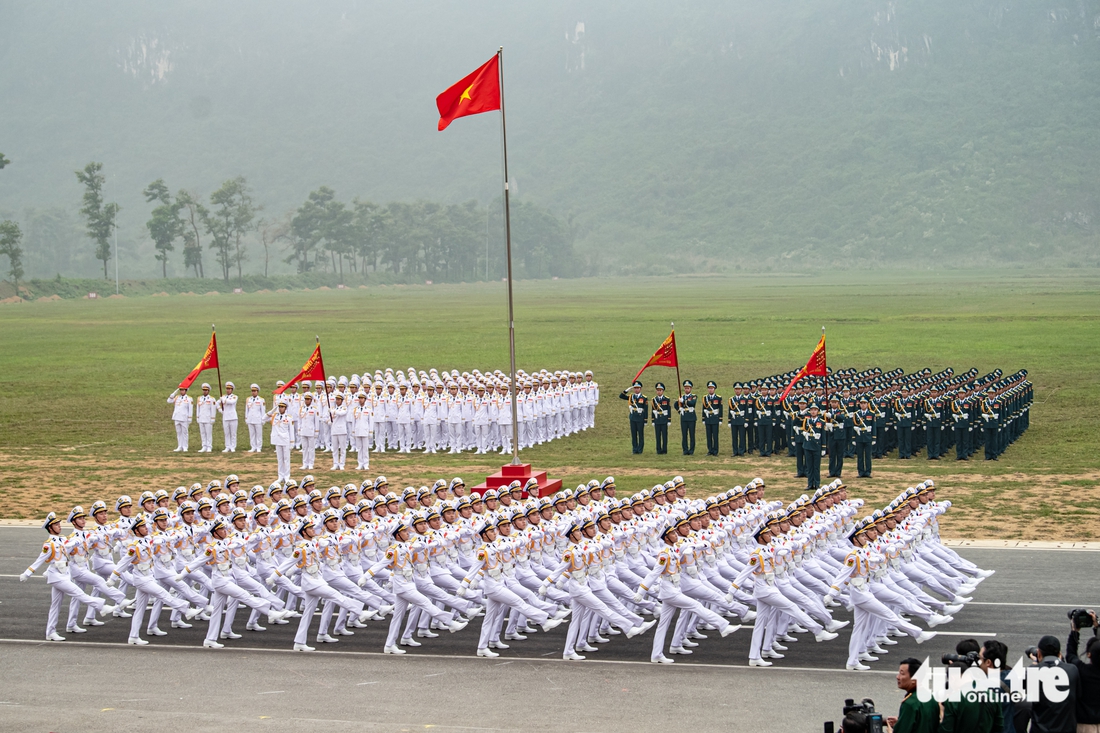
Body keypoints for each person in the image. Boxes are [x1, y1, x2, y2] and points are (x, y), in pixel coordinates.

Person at [20, 512, 122, 641]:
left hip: (64, 574)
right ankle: (101, 606)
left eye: (59, 524)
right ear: (50, 528)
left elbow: (74, 544)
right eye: (56, 525)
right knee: (78, 593)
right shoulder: (48, 544)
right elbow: (40, 560)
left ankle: (50, 632)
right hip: (56, 576)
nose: (59, 526)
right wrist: (27, 573)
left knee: (55, 605)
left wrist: (77, 541)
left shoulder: (63, 539)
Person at [1032, 634, 1080, 733]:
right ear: (1059, 654)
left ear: (1039, 654)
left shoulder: (1032, 671)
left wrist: (1037, 665)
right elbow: (1078, 695)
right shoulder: (1072, 670)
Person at [885, 658, 940, 733]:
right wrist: (902, 721)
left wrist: (890, 731)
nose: (897, 677)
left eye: (902, 674)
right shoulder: (931, 697)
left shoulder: (909, 703)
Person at [1067, 611, 1100, 733]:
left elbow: (1071, 655)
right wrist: (1097, 627)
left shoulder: (1083, 672)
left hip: (1085, 725)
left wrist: (1075, 631)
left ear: (1089, 655)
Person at [619, 381, 648, 454]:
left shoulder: (644, 398)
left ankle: (640, 450)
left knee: (640, 435)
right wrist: (626, 390)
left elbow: (646, 410)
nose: (636, 390)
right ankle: (635, 449)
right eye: (635, 388)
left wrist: (645, 420)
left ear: (640, 389)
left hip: (640, 418)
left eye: (637, 388)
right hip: (633, 417)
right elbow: (621, 396)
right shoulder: (631, 397)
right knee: (634, 434)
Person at [269, 400, 293, 483]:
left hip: (285, 440)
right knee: (280, 459)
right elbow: (264, 418)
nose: (280, 408)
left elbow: (291, 430)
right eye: (279, 407)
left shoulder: (289, 417)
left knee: (286, 459)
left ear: (285, 408)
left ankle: (287, 476)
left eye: (282, 407)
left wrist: (292, 442)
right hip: (277, 440)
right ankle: (280, 476)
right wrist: (273, 409)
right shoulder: (274, 415)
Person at [168, 386, 193, 452]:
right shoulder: (177, 397)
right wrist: (173, 394)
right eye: (180, 390)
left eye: (183, 390)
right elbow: (169, 401)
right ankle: (180, 446)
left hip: (184, 417)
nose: (181, 391)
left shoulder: (189, 399)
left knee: (184, 433)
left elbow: (190, 409)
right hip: (177, 417)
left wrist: (190, 418)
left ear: (186, 390)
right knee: (179, 432)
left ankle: (185, 446)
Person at [702, 381, 723, 456]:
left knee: (715, 436)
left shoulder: (718, 398)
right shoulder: (705, 398)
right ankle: (710, 450)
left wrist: (720, 419)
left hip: (715, 418)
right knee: (708, 436)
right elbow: (703, 408)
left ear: (714, 389)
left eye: (712, 388)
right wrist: (703, 418)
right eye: (709, 388)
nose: (710, 390)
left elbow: (720, 409)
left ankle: (715, 451)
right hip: (708, 418)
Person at [677, 380, 697, 455]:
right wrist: (679, 410)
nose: (686, 389)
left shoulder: (693, 396)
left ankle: (691, 450)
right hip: (684, 417)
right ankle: (685, 450)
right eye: (685, 388)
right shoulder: (681, 397)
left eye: (688, 388)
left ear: (691, 388)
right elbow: (676, 404)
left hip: (691, 417)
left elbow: (692, 403)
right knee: (684, 435)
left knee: (692, 435)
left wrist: (684, 401)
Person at [217, 382, 239, 452]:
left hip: (233, 417)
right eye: (227, 389)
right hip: (225, 417)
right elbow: (217, 403)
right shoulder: (223, 397)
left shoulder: (234, 396)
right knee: (226, 433)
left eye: (229, 389)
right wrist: (220, 410)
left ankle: (233, 446)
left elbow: (232, 402)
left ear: (232, 390)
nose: (228, 390)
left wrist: (224, 400)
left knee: (233, 433)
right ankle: (227, 446)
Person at [245, 384, 265, 452]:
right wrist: (246, 418)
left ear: (257, 391)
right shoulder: (248, 399)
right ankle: (253, 447)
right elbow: (246, 410)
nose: (253, 392)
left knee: (259, 434)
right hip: (250, 419)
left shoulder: (261, 400)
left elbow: (263, 410)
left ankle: (259, 447)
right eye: (252, 391)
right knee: (252, 434)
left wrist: (263, 419)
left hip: (258, 419)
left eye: (255, 391)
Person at [651, 382, 671, 454]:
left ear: (663, 391)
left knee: (664, 436)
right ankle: (658, 450)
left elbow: (669, 410)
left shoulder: (667, 399)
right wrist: (653, 420)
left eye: (660, 390)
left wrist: (669, 420)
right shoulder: (654, 399)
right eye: (657, 390)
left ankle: (664, 450)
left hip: (664, 419)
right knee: (657, 436)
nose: (659, 391)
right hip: (657, 419)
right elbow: (652, 410)